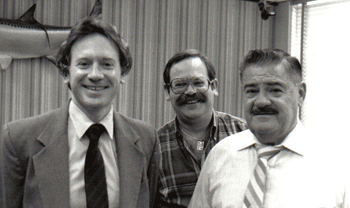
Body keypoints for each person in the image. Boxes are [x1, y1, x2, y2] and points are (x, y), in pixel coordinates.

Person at [0, 17, 159, 208]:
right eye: (83, 64)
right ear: (66, 72)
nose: (95, 75)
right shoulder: (19, 139)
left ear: (123, 73)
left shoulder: (146, 138)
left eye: (107, 64)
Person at [189, 49, 349, 207]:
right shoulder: (220, 156)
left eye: (275, 90)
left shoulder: (336, 167)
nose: (261, 101)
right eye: (251, 91)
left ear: (300, 94)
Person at [155, 49, 247, 207]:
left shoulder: (243, 133)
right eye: (180, 84)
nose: (190, 91)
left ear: (214, 86)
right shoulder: (154, 147)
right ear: (167, 92)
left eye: (198, 83)